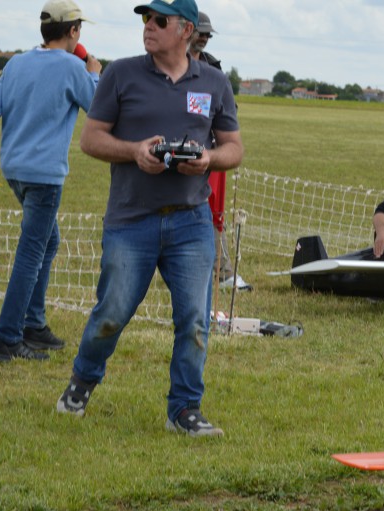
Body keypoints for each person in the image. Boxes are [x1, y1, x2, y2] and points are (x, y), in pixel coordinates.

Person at [56, 0, 243, 437]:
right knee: (112, 312)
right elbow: (91, 140)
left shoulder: (214, 82)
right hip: (130, 219)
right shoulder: (120, 74)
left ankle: (184, 410)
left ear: (186, 30)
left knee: (195, 320)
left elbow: (233, 147)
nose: (149, 26)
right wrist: (135, 151)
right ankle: (82, 382)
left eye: (160, 20)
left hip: (191, 222)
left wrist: (208, 159)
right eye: (146, 19)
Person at [0, 0, 101, 362]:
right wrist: (95, 74)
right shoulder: (73, 67)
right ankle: (10, 337)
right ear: (72, 32)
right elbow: (99, 108)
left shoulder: (15, 64)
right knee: (32, 251)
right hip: (45, 177)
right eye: (79, 28)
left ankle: (35, 325)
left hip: (15, 173)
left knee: (47, 241)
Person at [189, 10, 251, 292]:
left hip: (207, 152)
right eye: (200, 32)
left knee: (211, 209)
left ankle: (222, 271)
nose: (204, 38)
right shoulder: (164, 65)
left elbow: (228, 111)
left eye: (207, 34)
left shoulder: (214, 69)